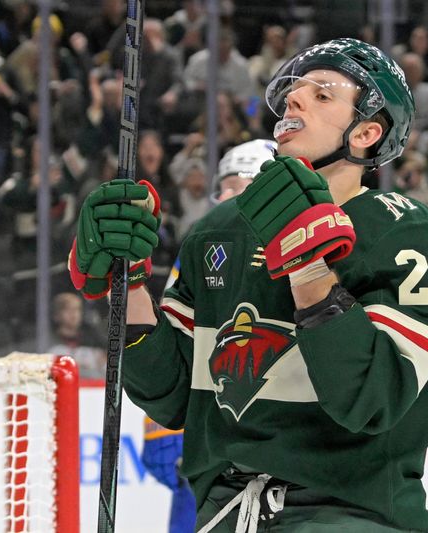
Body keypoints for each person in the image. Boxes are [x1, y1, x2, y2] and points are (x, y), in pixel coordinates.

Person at [69, 38, 428, 532]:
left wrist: (310, 268)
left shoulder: (402, 230)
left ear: (366, 133)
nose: (295, 98)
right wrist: (133, 286)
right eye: (295, 89)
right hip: (227, 516)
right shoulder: (218, 229)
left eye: (323, 94)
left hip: (348, 516)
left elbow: (372, 399)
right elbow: (172, 398)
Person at [144, 139, 277, 533]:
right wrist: (161, 427)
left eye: (239, 186)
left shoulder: (299, 249)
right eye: (225, 187)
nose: (226, 196)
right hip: (211, 423)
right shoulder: (202, 247)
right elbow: (174, 338)